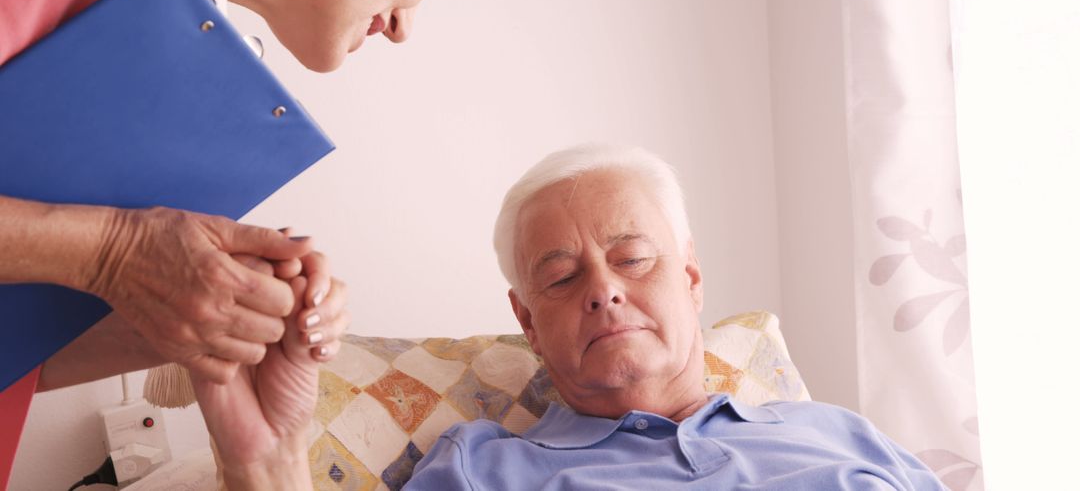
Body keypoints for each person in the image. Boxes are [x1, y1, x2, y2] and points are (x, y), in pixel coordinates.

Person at [199, 144, 946, 489]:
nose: (602, 290)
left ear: (690, 279)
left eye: (632, 259)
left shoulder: (839, 435)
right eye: (560, 276)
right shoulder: (482, 469)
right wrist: (266, 461)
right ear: (527, 323)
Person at [0, 0, 501, 394]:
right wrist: (110, 254)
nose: (402, 28)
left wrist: (196, 317)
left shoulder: (179, 47)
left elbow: (17, 355)